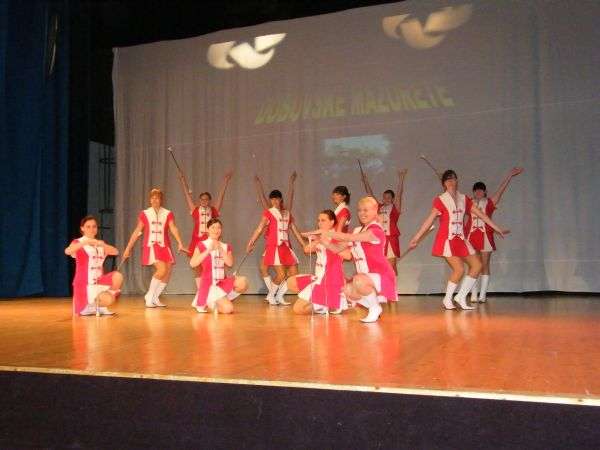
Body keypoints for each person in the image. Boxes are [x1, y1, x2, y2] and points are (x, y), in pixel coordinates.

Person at [408, 170, 509, 310]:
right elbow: (429, 219)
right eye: (447, 179)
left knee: (477, 265)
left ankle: (460, 297)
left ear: (457, 181)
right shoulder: (440, 200)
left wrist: (497, 228)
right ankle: (447, 299)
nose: (450, 181)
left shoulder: (464, 199)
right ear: (444, 183)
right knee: (459, 269)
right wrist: (416, 237)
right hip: (447, 239)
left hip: (461, 239)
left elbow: (481, 215)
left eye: (453, 178)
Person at [308, 197, 398, 323]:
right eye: (360, 210)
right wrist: (322, 240)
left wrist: (327, 232)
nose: (362, 213)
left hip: (381, 275)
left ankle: (375, 308)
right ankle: (374, 304)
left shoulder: (376, 230)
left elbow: (350, 237)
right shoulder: (358, 230)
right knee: (346, 290)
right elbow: (337, 249)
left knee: (358, 280)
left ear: (375, 210)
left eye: (366, 210)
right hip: (365, 277)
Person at [466, 167, 523, 302]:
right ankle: (473, 294)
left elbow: (501, 190)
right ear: (473, 192)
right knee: (473, 266)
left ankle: (482, 295)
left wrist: (509, 176)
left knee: (485, 265)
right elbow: (454, 200)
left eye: (481, 190)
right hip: (471, 237)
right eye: (476, 190)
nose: (478, 192)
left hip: (486, 236)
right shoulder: (468, 202)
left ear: (485, 191)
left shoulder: (490, 202)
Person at [279, 210, 352, 315]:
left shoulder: (337, 237)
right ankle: (321, 301)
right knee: (291, 282)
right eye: (318, 220)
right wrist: (319, 239)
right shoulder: (321, 237)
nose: (320, 223)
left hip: (330, 282)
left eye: (323, 220)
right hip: (319, 278)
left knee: (298, 309)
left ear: (332, 222)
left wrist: (328, 242)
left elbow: (348, 255)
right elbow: (306, 249)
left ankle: (326, 304)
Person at [122, 188, 185, 307]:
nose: (155, 200)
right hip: (151, 245)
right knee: (161, 270)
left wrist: (179, 242)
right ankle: (149, 296)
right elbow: (137, 230)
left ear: (161, 200)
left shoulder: (168, 213)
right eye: (153, 198)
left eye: (157, 198)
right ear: (150, 200)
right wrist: (128, 248)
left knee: (167, 272)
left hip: (164, 245)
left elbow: (173, 228)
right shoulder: (145, 213)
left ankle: (155, 297)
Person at [247, 173, 303, 305]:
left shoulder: (287, 213)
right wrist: (250, 242)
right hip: (274, 246)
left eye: (277, 199)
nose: (274, 201)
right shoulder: (269, 212)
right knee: (278, 273)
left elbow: (295, 230)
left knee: (294, 273)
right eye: (272, 199)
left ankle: (278, 295)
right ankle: (272, 295)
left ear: (281, 199)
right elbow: (259, 228)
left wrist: (291, 183)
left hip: (286, 247)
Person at [65, 215, 122, 316]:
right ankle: (88, 305)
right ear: (82, 228)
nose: (92, 229)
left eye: (94, 226)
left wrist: (102, 245)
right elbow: (67, 251)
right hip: (84, 283)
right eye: (88, 227)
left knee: (117, 277)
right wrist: (85, 242)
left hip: (99, 281)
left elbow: (115, 252)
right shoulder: (78, 242)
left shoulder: (99, 243)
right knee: (105, 301)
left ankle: (99, 305)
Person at [189, 218, 249, 313]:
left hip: (221, 283)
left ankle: (221, 299)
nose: (216, 230)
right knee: (228, 309)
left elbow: (230, 263)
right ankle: (209, 303)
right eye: (213, 227)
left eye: (219, 227)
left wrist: (220, 249)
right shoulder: (201, 245)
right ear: (207, 230)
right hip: (209, 285)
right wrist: (208, 250)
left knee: (243, 282)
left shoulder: (225, 246)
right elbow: (192, 264)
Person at [361, 168, 407, 275]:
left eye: (388, 197)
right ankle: (385, 284)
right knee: (381, 265)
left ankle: (393, 285)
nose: (386, 199)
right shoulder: (379, 207)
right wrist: (366, 181)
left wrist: (401, 178)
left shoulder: (395, 208)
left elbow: (399, 194)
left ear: (392, 199)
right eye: (384, 197)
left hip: (390, 239)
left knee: (391, 266)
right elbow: (370, 195)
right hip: (380, 239)